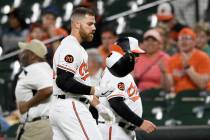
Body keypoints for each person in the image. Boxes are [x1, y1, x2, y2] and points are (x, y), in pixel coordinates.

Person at [49, 7, 114, 140]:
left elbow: (78, 84)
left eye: (94, 24)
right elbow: (63, 81)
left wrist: (99, 106)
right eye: (90, 24)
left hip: (64, 105)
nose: (94, 28)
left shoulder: (77, 48)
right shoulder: (70, 47)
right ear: (77, 24)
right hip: (71, 105)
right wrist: (95, 89)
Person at [98, 37, 157, 140]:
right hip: (114, 129)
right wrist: (140, 122)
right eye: (135, 54)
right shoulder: (115, 72)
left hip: (123, 129)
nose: (138, 58)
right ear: (125, 53)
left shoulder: (122, 71)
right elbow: (115, 102)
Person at [15, 39, 53, 140]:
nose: (20, 54)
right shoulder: (47, 69)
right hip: (46, 124)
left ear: (32, 55)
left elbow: (47, 90)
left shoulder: (34, 68)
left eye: (24, 52)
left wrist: (27, 105)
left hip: (37, 128)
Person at [161, 28, 210, 94]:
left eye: (187, 38)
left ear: (194, 42)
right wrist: (164, 73)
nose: (183, 41)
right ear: (177, 42)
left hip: (199, 96)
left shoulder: (203, 57)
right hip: (178, 97)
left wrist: (187, 68)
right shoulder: (172, 59)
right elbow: (168, 88)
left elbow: (202, 84)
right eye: (181, 39)